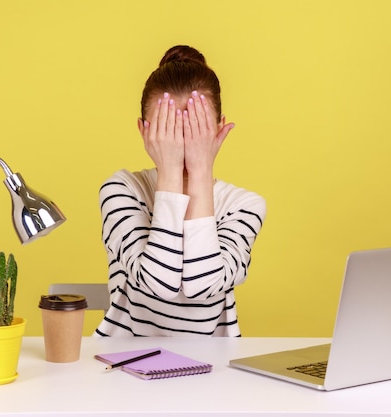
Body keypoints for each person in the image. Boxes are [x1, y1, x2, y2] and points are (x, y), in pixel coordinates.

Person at [94, 45, 266, 337]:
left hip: (215, 372)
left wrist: (200, 171)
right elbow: (158, 284)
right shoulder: (122, 190)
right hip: (122, 365)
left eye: (195, 129)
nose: (182, 143)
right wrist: (171, 171)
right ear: (144, 131)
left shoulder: (244, 205)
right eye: (169, 129)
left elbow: (203, 286)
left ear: (219, 129)